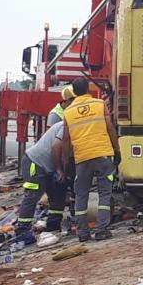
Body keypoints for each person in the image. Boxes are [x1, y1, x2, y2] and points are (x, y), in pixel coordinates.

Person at [64, 77, 121, 242]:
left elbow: (66, 139)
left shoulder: (68, 112)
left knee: (81, 194)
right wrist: (117, 150)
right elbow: (110, 128)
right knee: (104, 193)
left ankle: (82, 232)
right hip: (103, 154)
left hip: (82, 158)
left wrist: (68, 159)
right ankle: (101, 230)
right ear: (88, 88)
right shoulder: (99, 104)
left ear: (73, 92)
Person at [14, 120, 67, 235]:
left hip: (51, 166)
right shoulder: (67, 126)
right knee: (33, 194)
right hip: (36, 162)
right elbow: (55, 147)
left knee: (58, 193)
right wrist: (59, 169)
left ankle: (53, 226)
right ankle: (23, 230)